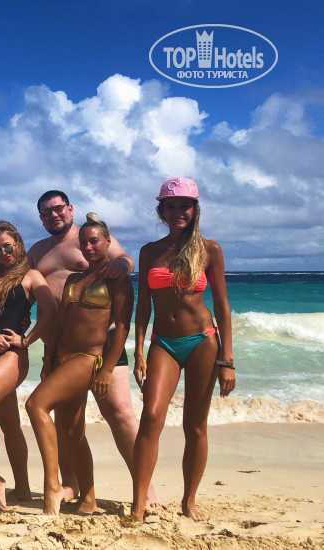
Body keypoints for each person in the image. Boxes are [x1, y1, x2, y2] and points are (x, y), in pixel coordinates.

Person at [27, 190, 158, 510]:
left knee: (120, 414)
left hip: (103, 342)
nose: (53, 215)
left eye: (58, 208)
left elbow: (124, 259)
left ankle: (146, 490)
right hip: (60, 345)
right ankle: (73, 485)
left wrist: (122, 266)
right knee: (68, 424)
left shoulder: (88, 237)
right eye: (46, 212)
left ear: (70, 209)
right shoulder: (38, 251)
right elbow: (25, 286)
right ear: (41, 218)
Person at [131, 178, 235, 522]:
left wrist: (227, 359)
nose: (178, 212)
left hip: (203, 341)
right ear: (161, 211)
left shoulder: (210, 250)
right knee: (151, 417)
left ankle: (189, 502)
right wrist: (139, 350)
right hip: (163, 342)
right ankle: (138, 505)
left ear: (195, 209)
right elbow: (143, 306)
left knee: (196, 425)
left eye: (184, 206)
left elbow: (221, 304)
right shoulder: (149, 251)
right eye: (171, 206)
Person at [0, 221, 57, 511]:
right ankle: (24, 489)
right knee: (10, 424)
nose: (3, 253)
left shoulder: (31, 276)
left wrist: (26, 340)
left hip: (12, 356)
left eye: (7, 247)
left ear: (17, 243)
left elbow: (51, 311)